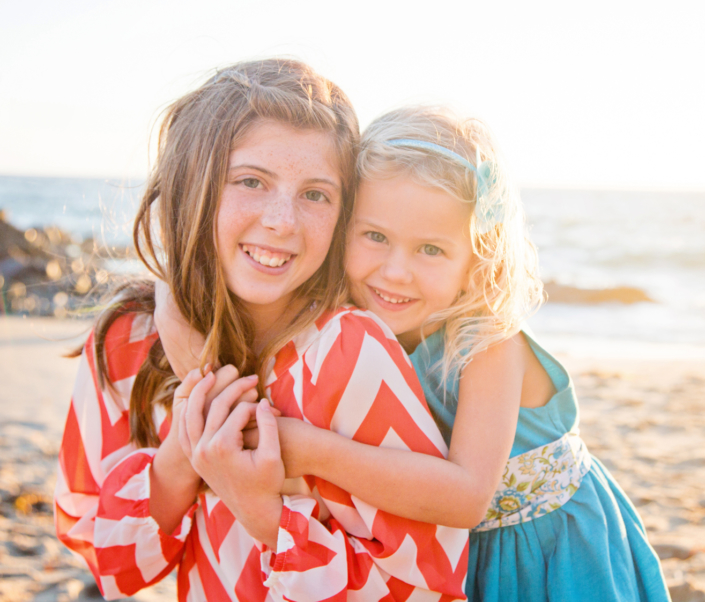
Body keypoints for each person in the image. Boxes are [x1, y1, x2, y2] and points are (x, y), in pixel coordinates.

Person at [158, 105, 671, 602]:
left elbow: (467, 497)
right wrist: (170, 308)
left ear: (477, 257)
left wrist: (313, 450)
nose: (395, 271)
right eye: (376, 236)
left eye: (431, 249)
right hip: (450, 554)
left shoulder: (489, 343)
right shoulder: (357, 327)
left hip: (543, 551)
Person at [54, 62, 470, 602]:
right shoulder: (128, 339)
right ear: (190, 186)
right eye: (251, 181)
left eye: (316, 194)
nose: (283, 221)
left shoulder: (348, 353)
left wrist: (265, 515)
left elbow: (425, 584)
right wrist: (182, 458)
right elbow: (104, 557)